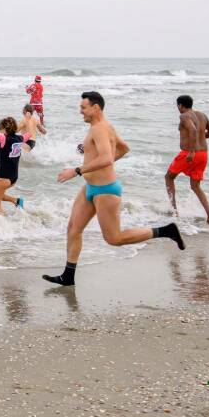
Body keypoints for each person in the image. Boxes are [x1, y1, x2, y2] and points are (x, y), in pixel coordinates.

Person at [42, 91, 185, 287]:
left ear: (95, 108)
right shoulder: (102, 127)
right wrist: (99, 164)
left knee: (114, 238)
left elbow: (107, 158)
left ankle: (165, 231)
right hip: (91, 187)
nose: (80, 111)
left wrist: (76, 171)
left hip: (105, 190)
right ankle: (68, 275)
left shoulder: (100, 129)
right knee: (73, 229)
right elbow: (124, 148)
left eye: (83, 108)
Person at [165, 95, 209, 223]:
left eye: (178, 106)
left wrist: (192, 151)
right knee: (196, 186)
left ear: (180, 105)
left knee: (169, 177)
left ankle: (174, 210)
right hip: (203, 154)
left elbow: (193, 130)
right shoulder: (202, 115)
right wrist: (199, 140)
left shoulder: (184, 116)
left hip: (189, 153)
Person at [0, 116, 33, 213]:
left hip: (3, 177)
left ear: (5, 128)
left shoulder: (4, 138)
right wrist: (28, 121)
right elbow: (29, 134)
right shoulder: (20, 138)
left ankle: (2, 224)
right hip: (13, 177)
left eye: (0, 128)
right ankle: (16, 201)